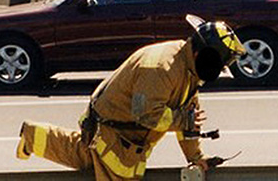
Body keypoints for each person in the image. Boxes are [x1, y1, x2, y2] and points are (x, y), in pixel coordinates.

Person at [15, 16, 245, 180]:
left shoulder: (190, 72)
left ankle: (33, 135)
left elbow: (188, 119)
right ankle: (33, 136)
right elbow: (145, 114)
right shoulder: (161, 69)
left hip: (119, 129)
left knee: (85, 156)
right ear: (201, 54)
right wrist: (182, 120)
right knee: (117, 169)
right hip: (114, 133)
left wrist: (196, 157)